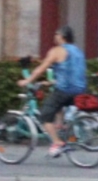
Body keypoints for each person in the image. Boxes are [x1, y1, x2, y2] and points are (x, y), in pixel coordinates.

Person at [25, 25, 89, 158]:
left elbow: (40, 69)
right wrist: (50, 82)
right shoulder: (78, 51)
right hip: (80, 90)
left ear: (62, 37)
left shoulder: (57, 50)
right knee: (58, 105)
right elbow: (71, 73)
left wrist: (26, 81)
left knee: (45, 115)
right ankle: (60, 127)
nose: (54, 36)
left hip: (65, 91)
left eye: (56, 34)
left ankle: (57, 143)